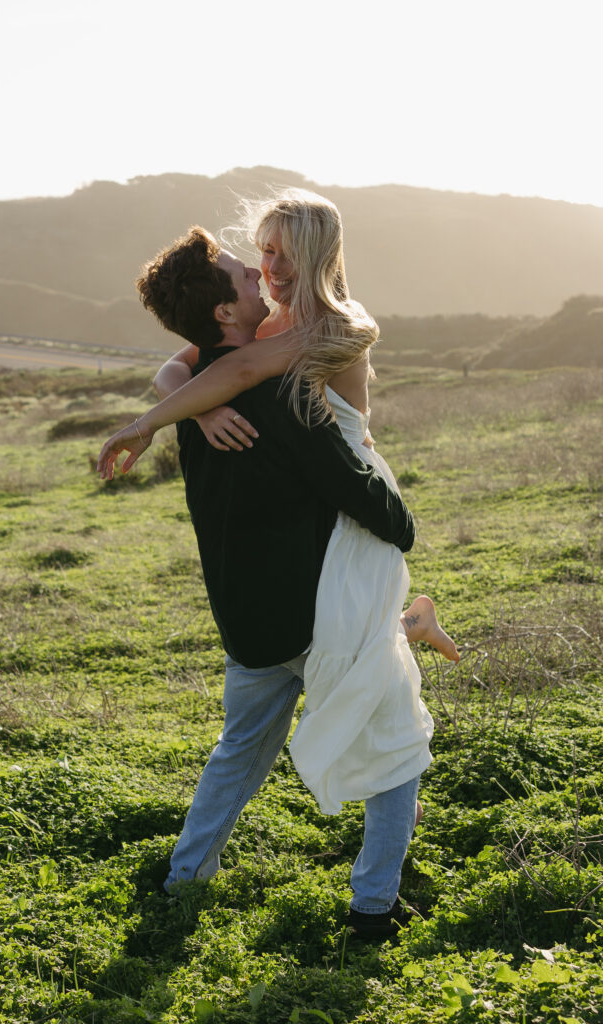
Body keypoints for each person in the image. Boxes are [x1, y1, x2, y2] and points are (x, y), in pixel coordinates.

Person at [98, 221, 425, 940]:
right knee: (395, 744)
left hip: (245, 620)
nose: (257, 273)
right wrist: (404, 524)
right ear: (224, 312)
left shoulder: (196, 406)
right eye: (244, 273)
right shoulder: (279, 396)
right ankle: (375, 905)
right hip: (317, 619)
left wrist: (194, 404)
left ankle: (185, 880)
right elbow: (353, 489)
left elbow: (188, 371)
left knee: (237, 754)